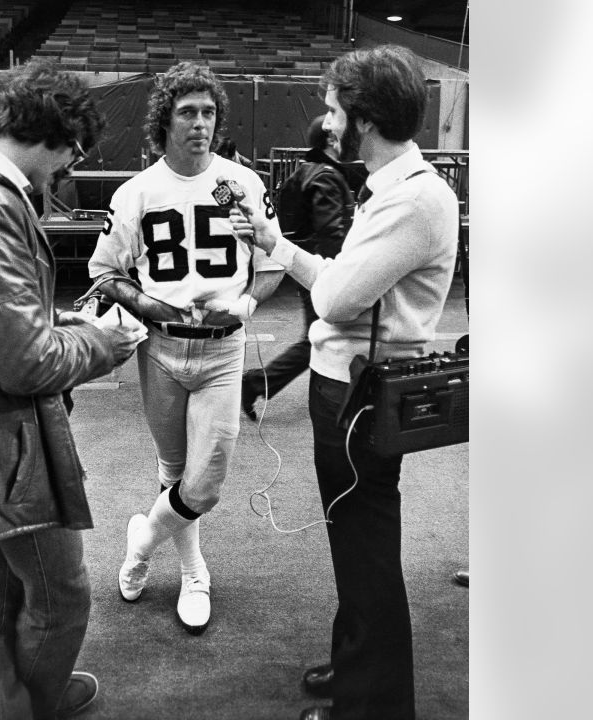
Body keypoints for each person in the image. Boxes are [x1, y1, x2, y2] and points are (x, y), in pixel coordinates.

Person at [229, 45, 459, 720]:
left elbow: (332, 299)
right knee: (353, 543)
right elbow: (336, 280)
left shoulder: (413, 201)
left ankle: (373, 704)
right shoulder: (390, 189)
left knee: (365, 552)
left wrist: (291, 257)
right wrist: (276, 244)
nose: (326, 122)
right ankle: (356, 661)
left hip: (359, 397)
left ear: (365, 117)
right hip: (347, 388)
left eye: (333, 109)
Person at [0, 60, 140, 720]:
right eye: (71, 157)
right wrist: (106, 342)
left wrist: (52, 322)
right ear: (61, 138)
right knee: (59, 594)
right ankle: (28, 704)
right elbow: (23, 365)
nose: (63, 174)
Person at [88, 61, 284, 635]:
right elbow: (106, 272)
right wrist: (151, 306)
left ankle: (142, 541)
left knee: (207, 479)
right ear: (164, 121)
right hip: (163, 348)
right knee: (175, 470)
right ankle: (195, 572)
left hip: (225, 350)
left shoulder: (243, 183)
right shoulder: (137, 192)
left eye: (209, 112)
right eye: (187, 112)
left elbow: (270, 262)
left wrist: (245, 304)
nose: (200, 123)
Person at [240, 115, 354, 420]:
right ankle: (253, 384)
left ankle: (255, 384)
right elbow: (331, 232)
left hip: (303, 265)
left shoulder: (302, 172)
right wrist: (343, 268)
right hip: (319, 270)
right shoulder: (327, 176)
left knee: (316, 338)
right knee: (317, 339)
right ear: (330, 140)